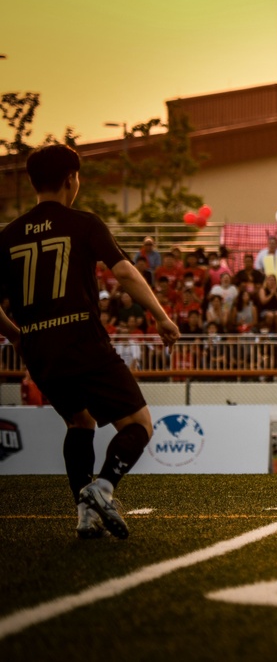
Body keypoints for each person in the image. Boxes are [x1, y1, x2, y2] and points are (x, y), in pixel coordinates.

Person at [0, 144, 180, 539]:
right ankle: (101, 489)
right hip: (82, 339)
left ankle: (85, 514)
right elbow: (126, 274)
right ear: (71, 179)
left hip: (41, 352)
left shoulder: (8, 235)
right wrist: (162, 317)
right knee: (139, 425)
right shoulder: (84, 222)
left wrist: (19, 336)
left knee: (79, 421)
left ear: (33, 183)